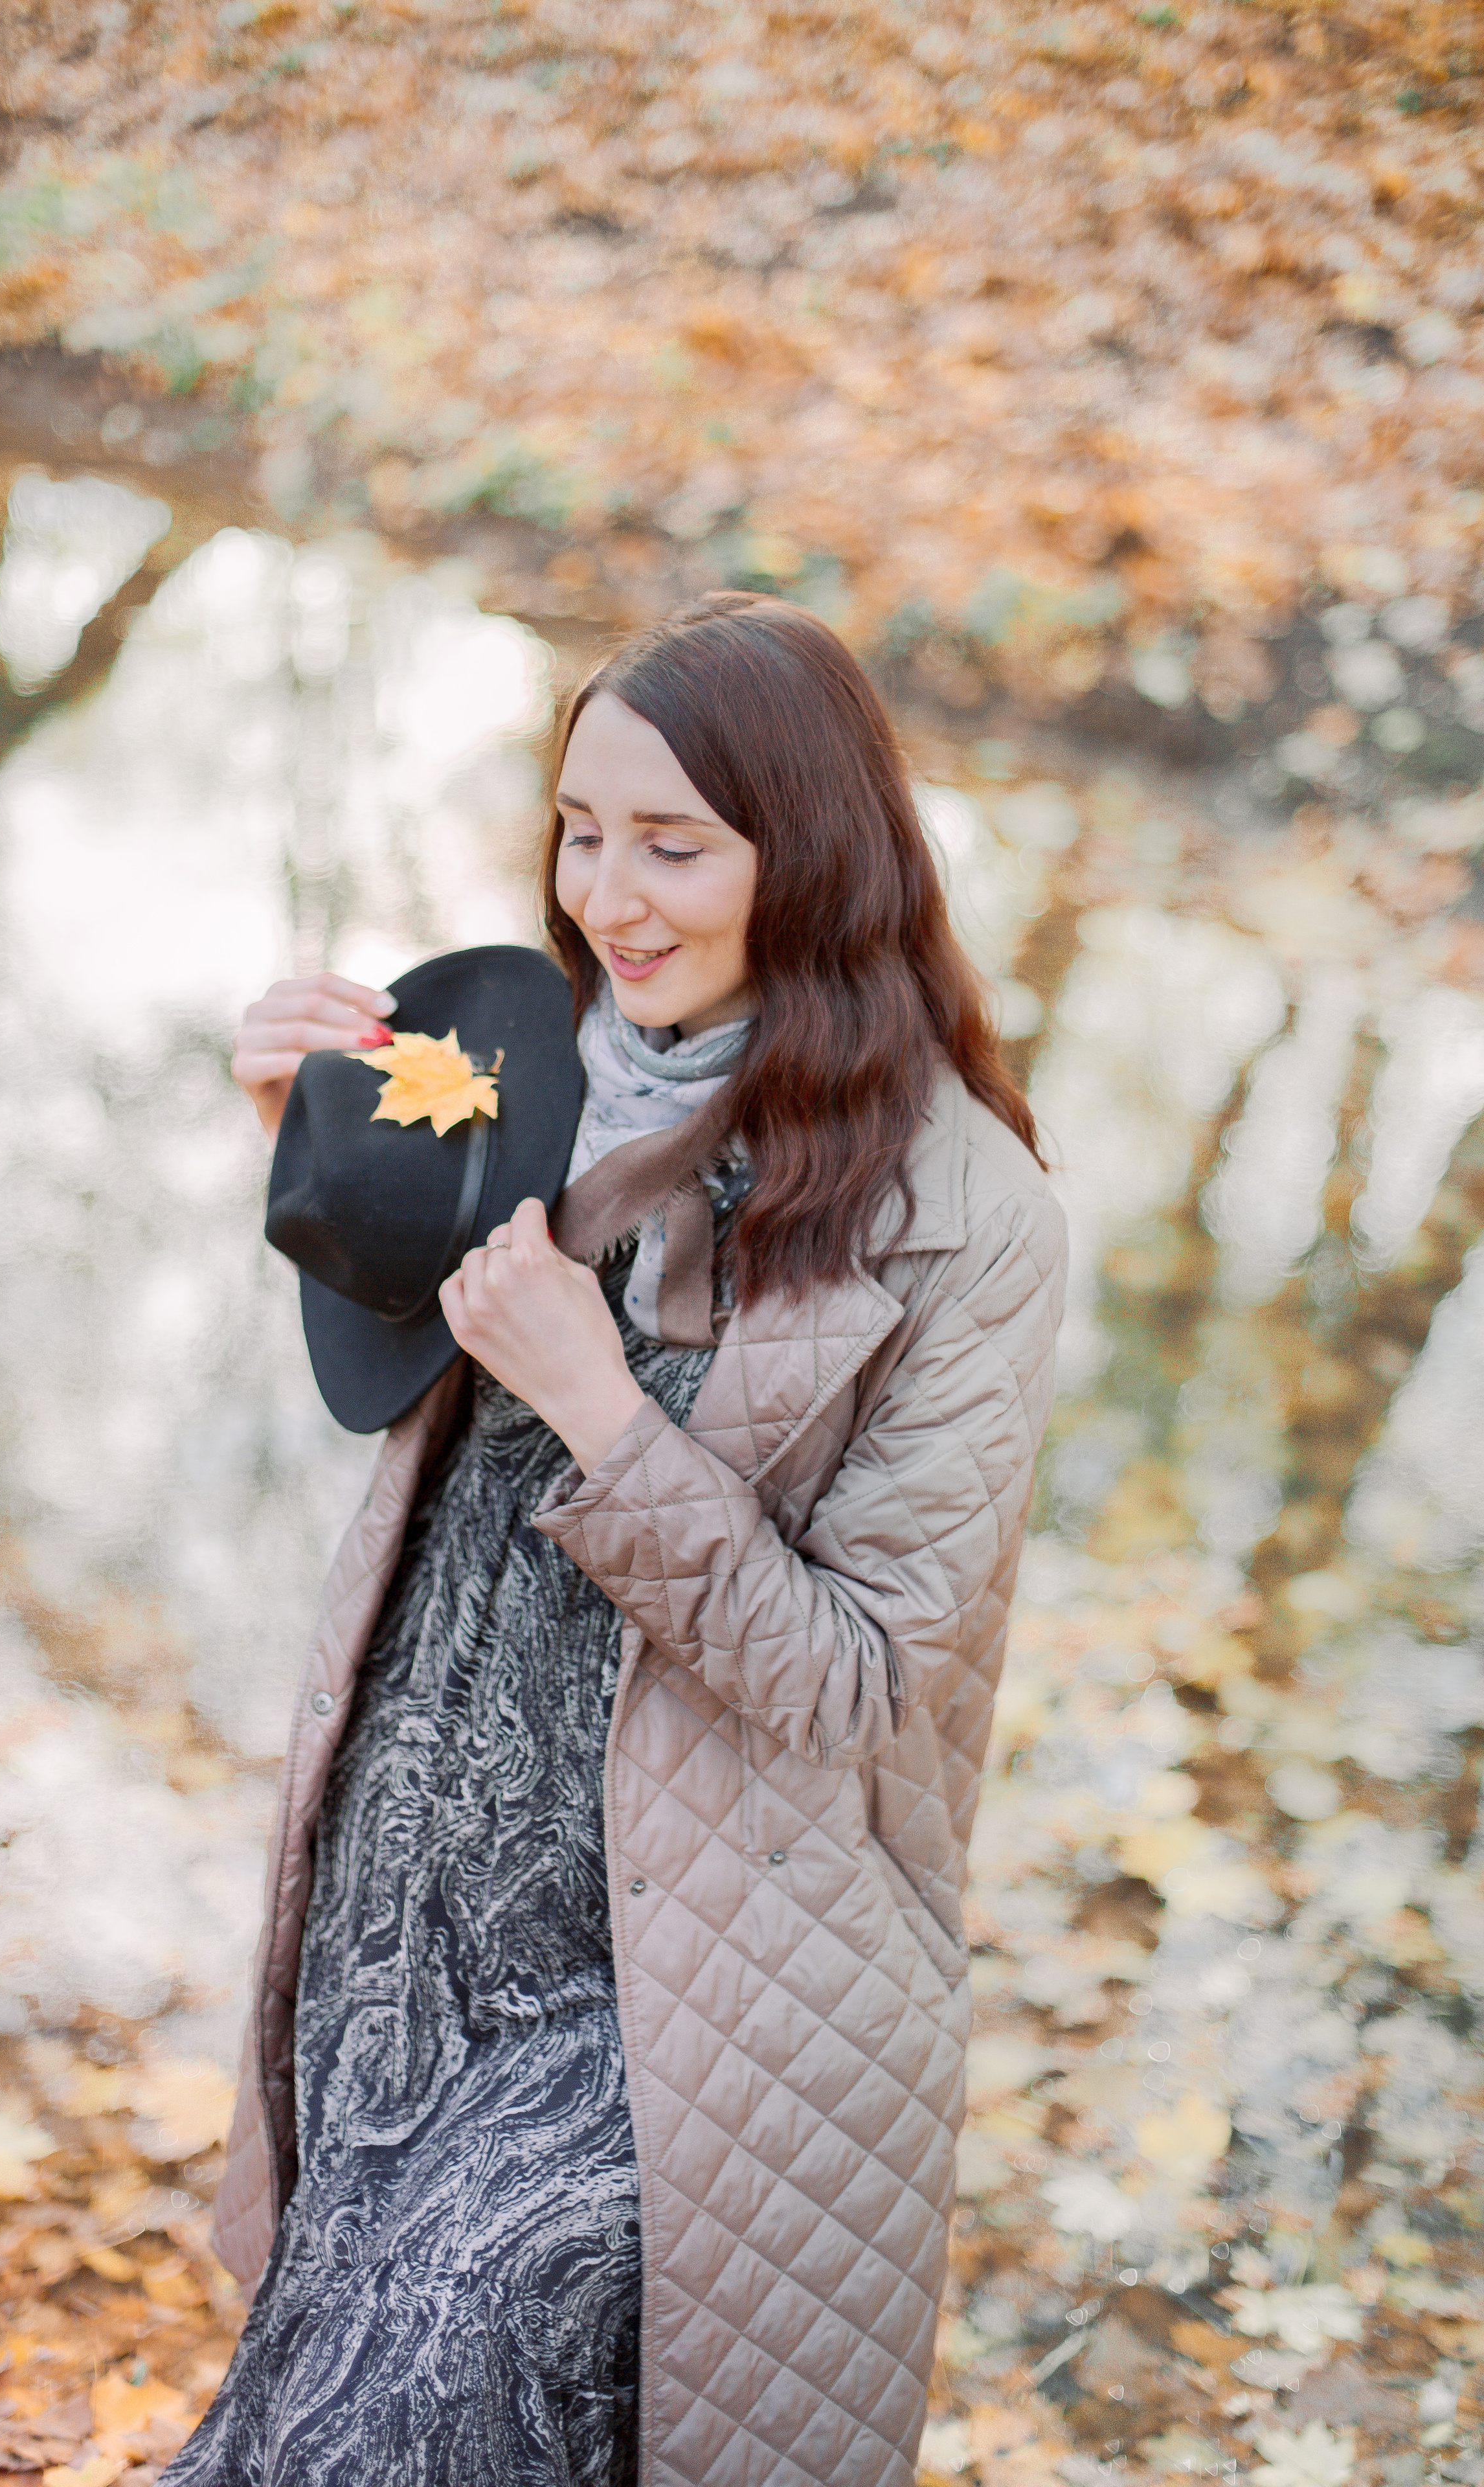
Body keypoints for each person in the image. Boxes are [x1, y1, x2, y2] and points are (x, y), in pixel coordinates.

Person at [167, 592, 1067, 2487]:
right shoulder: (515, 1048)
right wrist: (321, 1150)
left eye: (674, 843)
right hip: (398, 1909)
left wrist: (606, 1406)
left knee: (427, 2403)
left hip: (692, 1978)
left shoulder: (965, 1211)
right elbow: (400, 1388)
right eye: (582, 829)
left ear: (809, 853)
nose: (609, 893)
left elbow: (863, 1688)